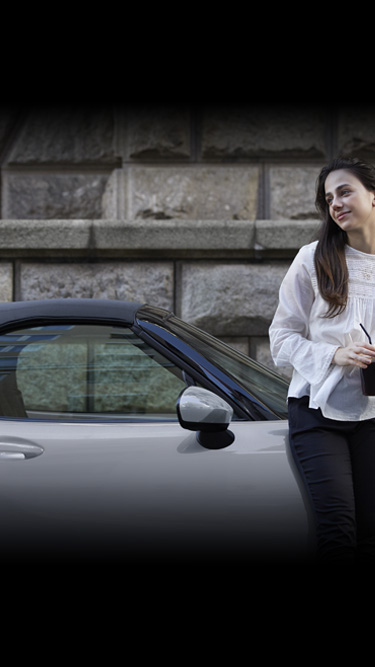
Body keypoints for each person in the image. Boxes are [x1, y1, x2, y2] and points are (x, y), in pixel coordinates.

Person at [269, 156, 375, 563]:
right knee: (337, 533)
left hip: (372, 412)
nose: (335, 203)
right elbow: (281, 338)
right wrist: (336, 353)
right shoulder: (313, 259)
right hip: (318, 413)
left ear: (372, 194)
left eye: (345, 191)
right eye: (329, 197)